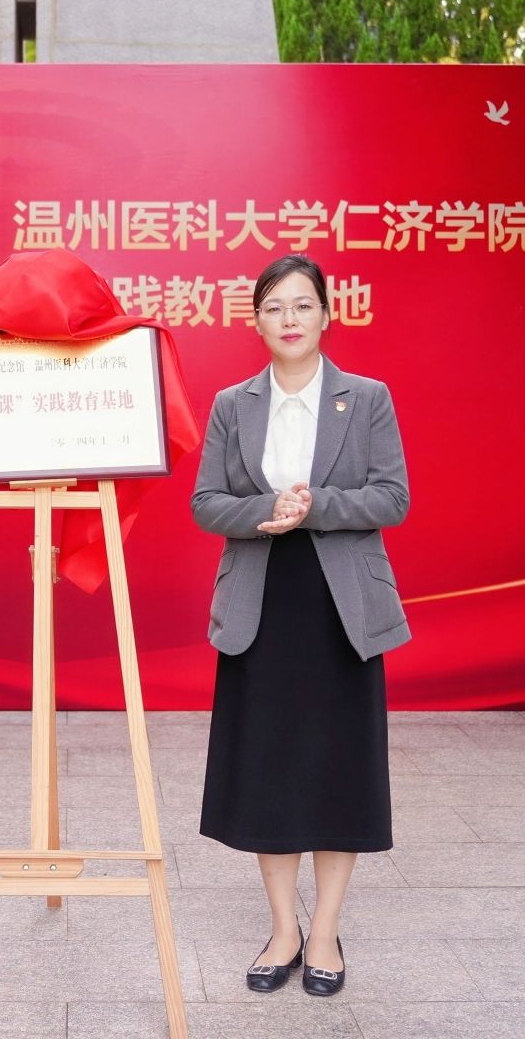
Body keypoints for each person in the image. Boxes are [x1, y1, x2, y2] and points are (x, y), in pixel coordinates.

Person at [192, 253, 410, 998]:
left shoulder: (367, 397)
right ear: (256, 321)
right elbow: (205, 502)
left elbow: (392, 496)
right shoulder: (232, 404)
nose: (289, 319)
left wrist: (317, 505)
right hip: (261, 602)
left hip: (341, 606)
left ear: (326, 314)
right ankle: (284, 928)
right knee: (270, 768)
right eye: (274, 307)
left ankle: (325, 933)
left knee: (340, 769)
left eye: (302, 305)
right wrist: (265, 511)